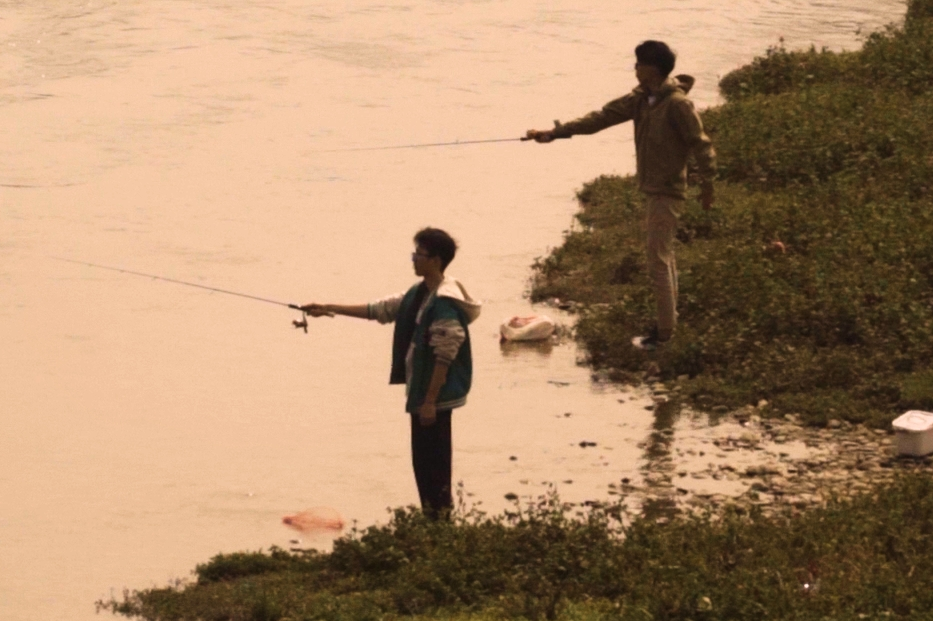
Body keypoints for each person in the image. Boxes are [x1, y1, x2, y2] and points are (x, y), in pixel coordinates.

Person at [525, 40, 716, 348]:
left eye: (639, 64)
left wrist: (708, 187)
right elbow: (600, 118)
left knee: (657, 260)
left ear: (652, 69)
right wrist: (555, 133)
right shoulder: (641, 99)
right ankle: (670, 325)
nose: (635, 69)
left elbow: (702, 145)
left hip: (667, 190)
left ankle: (665, 335)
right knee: (663, 257)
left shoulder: (678, 105)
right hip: (653, 188)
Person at [302, 227, 481, 518]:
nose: (413, 260)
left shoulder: (444, 301)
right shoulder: (419, 293)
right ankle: (433, 522)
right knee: (422, 462)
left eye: (418, 255)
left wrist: (429, 402)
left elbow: (445, 355)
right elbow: (380, 310)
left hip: (433, 399)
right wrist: (327, 307)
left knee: (433, 464)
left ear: (435, 260)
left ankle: (439, 524)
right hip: (422, 395)